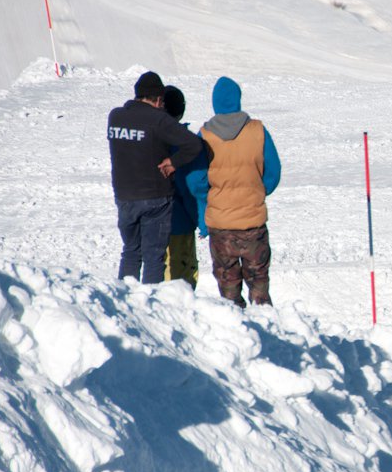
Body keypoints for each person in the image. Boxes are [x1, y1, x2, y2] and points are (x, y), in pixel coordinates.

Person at [187, 76, 281, 307]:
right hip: (253, 222)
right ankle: (266, 326)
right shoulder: (258, 130)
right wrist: (256, 191)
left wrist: (212, 198)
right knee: (259, 281)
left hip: (221, 225)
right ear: (238, 99)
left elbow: (195, 179)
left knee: (228, 285)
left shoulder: (205, 135)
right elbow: (273, 171)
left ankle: (237, 328)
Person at [106, 71, 204, 284]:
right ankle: (149, 306)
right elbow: (194, 145)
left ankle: (125, 301)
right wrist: (173, 162)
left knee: (130, 251)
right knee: (153, 257)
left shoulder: (115, 116)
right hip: (156, 197)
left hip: (125, 196)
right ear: (159, 100)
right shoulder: (158, 119)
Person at [162, 85, 204, 288]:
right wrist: (200, 219)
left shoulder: (151, 139)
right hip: (180, 223)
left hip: (153, 222)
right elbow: (191, 186)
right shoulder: (186, 143)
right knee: (182, 277)